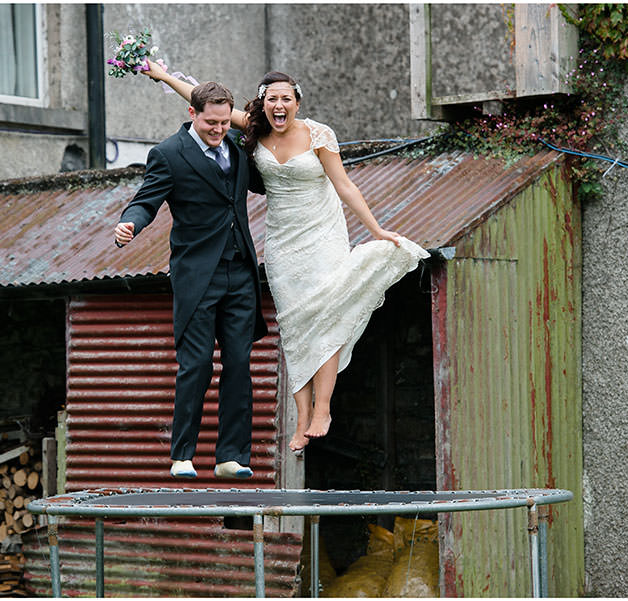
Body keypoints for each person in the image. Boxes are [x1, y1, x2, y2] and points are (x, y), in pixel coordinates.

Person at [144, 63, 429, 454]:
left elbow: (344, 185)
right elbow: (201, 100)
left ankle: (322, 410)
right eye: (272, 99)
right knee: (295, 325)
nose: (279, 105)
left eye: (286, 99)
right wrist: (162, 76)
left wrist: (377, 230)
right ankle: (300, 418)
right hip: (282, 241)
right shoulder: (254, 128)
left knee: (326, 314)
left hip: (323, 233)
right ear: (263, 105)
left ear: (297, 102)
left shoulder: (319, 135)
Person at [114, 81, 268, 479]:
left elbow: (267, 178)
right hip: (198, 275)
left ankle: (230, 456)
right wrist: (130, 223)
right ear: (192, 114)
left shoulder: (237, 146)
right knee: (196, 364)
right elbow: (147, 199)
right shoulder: (168, 154)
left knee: (238, 362)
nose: (218, 129)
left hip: (241, 273)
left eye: (223, 122)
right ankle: (182, 454)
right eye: (210, 122)